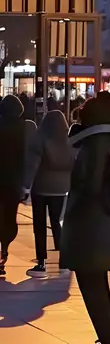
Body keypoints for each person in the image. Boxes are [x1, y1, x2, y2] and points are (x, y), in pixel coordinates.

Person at [59, 95, 110, 344]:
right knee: (97, 284)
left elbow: (86, 184)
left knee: (93, 285)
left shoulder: (93, 146)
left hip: (89, 226)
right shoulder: (105, 142)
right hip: (101, 224)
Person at [23, 110, 74, 277]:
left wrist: (26, 187)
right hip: (61, 189)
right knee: (57, 224)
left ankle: (41, 263)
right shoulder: (69, 141)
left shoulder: (39, 139)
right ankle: (64, 262)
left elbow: (32, 165)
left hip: (41, 188)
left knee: (39, 225)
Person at [0, 95, 37, 276]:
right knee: (9, 217)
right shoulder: (26, 128)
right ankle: (4, 249)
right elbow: (30, 156)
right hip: (14, 182)